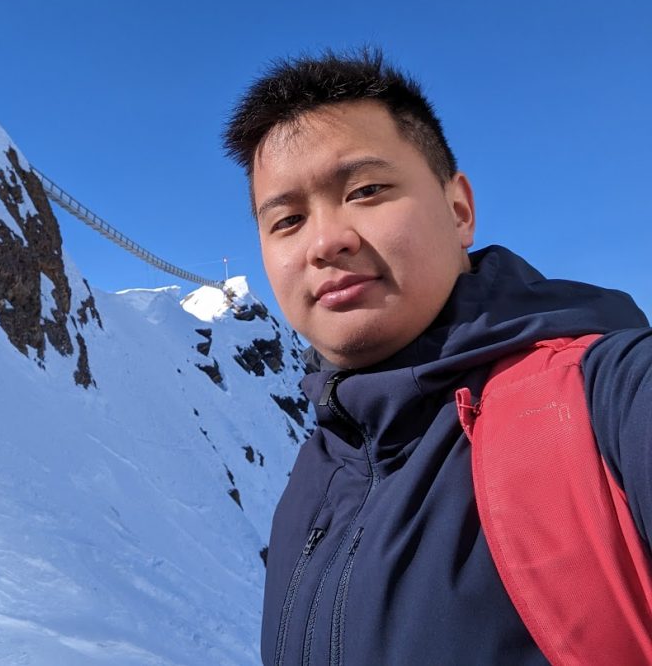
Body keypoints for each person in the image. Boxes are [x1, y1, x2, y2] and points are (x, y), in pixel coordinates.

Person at [222, 48, 652, 665]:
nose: (325, 241)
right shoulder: (321, 472)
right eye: (286, 220)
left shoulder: (606, 402)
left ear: (459, 211)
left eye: (367, 190)